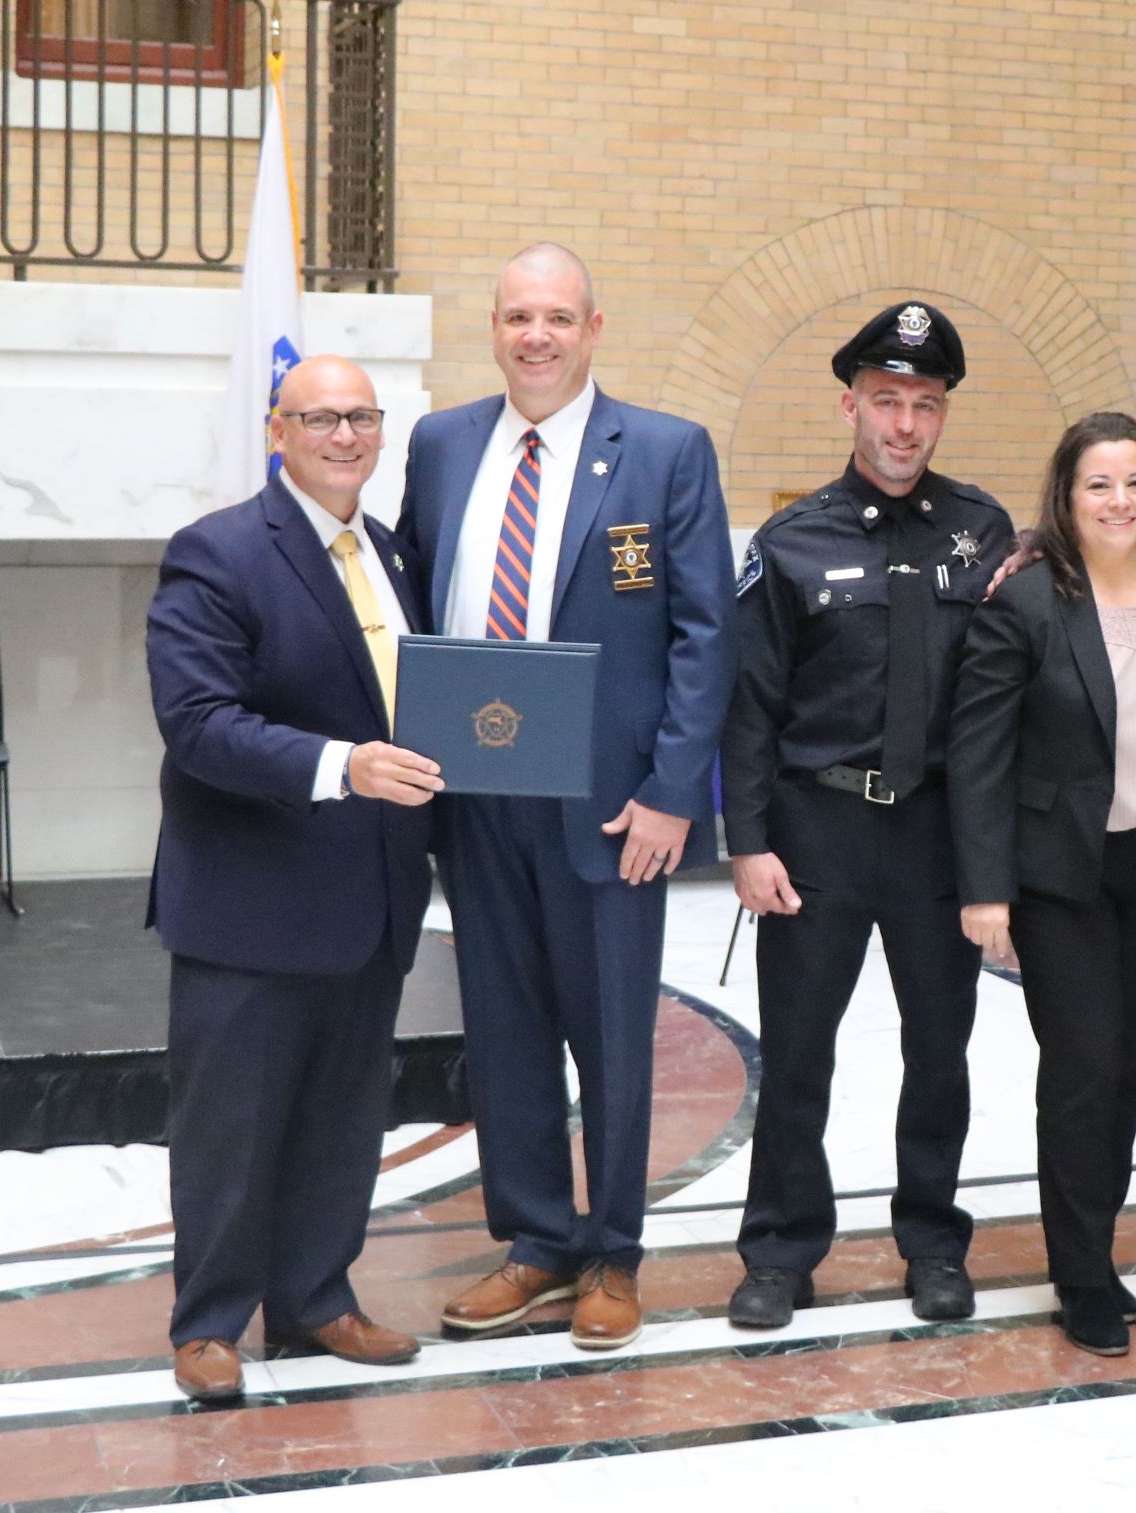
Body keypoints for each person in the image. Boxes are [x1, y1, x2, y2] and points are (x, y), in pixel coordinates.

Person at [396, 243, 736, 1351]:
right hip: (476, 789)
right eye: (516, 317)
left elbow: (704, 636)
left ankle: (613, 1254)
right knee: (504, 1031)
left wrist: (673, 792)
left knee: (612, 1036)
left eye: (556, 317)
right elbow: (414, 597)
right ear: (493, 329)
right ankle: (536, 1242)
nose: (534, 336)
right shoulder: (441, 445)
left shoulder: (666, 452)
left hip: (610, 805)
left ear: (593, 329)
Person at [146, 355, 440, 1402]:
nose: (344, 435)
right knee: (229, 1128)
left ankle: (317, 1297)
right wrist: (341, 765)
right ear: (280, 431)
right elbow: (197, 724)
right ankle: (210, 1322)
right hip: (252, 899)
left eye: (361, 416)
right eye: (320, 418)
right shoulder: (218, 551)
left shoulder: (394, 554)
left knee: (342, 1119)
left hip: (372, 895)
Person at [720, 301, 1015, 1329]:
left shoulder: (983, 532)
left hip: (935, 835)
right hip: (819, 831)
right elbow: (749, 706)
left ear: (943, 415)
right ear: (851, 405)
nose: (904, 423)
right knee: (799, 1052)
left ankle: (932, 1241)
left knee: (939, 1052)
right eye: (886, 400)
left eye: (924, 404)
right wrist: (748, 841)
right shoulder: (791, 540)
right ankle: (779, 1249)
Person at [948, 412, 1136, 1357]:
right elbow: (979, 753)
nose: (1119, 501)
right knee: (1081, 1070)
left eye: (1135, 483)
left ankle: (1095, 1242)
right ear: (1066, 498)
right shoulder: (1027, 601)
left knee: (1129, 1068)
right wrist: (985, 887)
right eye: (1098, 484)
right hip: (1061, 871)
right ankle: (1081, 1273)